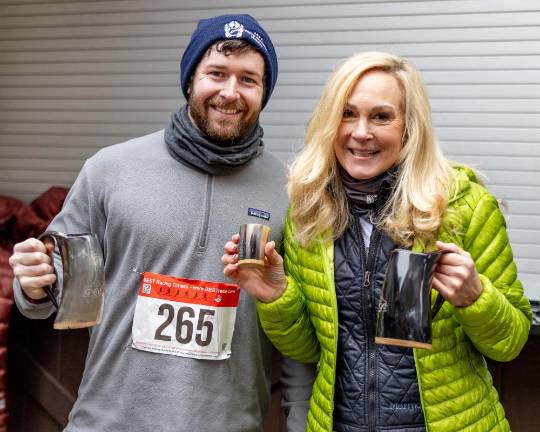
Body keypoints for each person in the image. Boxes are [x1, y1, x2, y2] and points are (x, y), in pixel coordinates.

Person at [9, 14, 314, 432]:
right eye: (216, 74)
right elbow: (50, 292)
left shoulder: (289, 191)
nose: (230, 92)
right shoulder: (110, 170)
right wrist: (32, 284)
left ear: (264, 91)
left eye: (248, 79)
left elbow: (297, 328)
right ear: (190, 79)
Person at [222, 51, 532, 432]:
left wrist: (474, 297)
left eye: (381, 116)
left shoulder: (462, 207)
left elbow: (509, 342)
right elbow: (308, 349)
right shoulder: (312, 212)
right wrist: (275, 296)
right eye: (347, 114)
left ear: (408, 126)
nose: (361, 132)